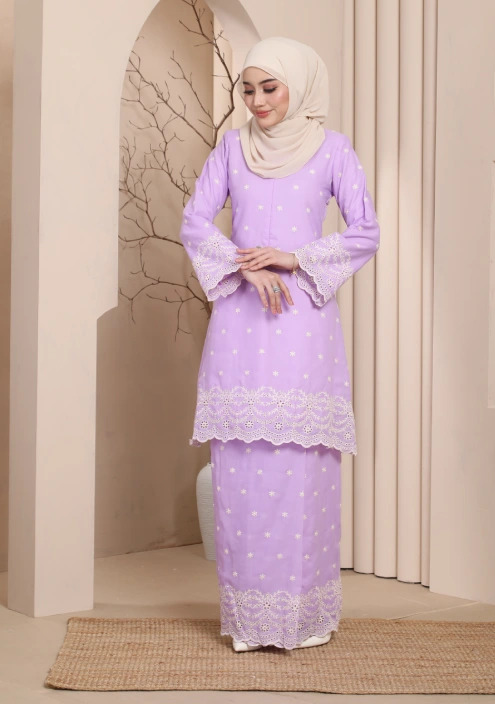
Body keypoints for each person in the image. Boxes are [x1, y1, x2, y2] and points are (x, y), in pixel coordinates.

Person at [180, 36, 380, 651]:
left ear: (300, 86)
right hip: (239, 326)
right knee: (239, 467)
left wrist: (293, 260)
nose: (257, 100)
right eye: (248, 89)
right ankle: (249, 620)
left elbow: (366, 231)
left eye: (270, 87)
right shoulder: (231, 148)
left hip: (303, 324)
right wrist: (247, 268)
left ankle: (303, 618)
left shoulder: (333, 150)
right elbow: (193, 221)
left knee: (302, 469)